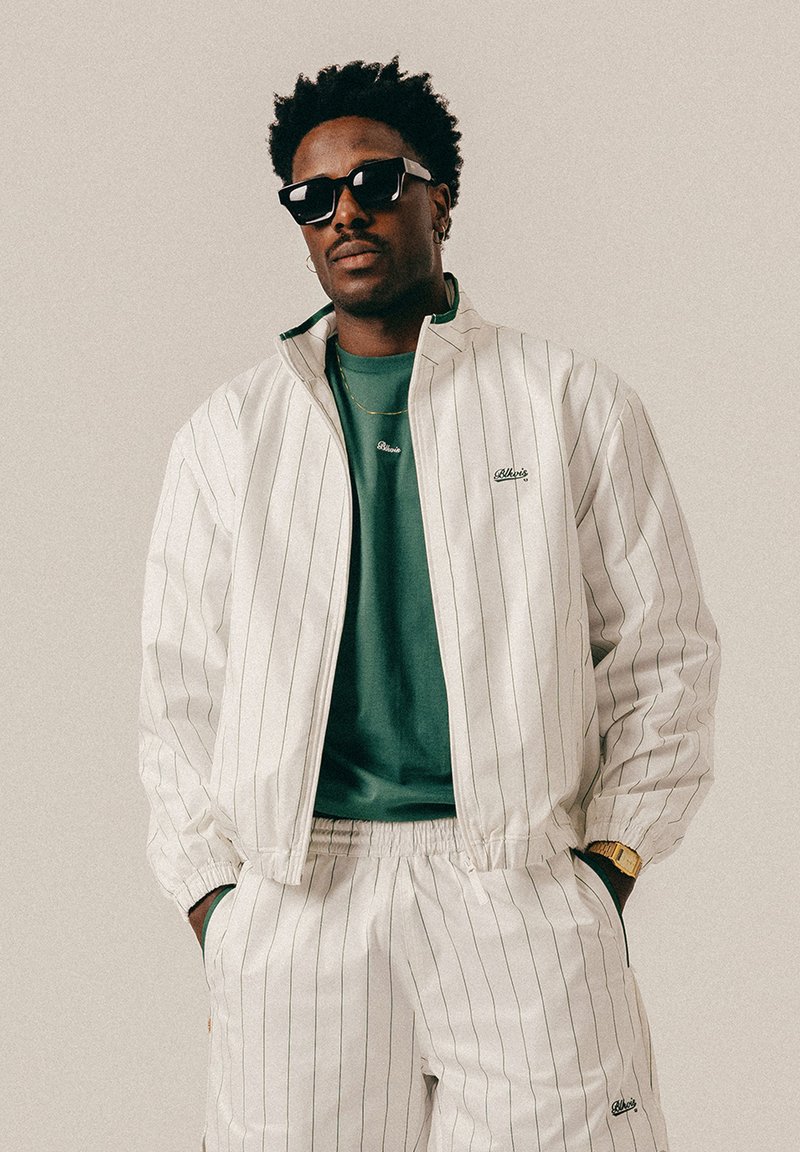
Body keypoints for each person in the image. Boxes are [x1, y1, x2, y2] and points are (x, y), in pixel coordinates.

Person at [137, 56, 721, 1152]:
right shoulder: (229, 436)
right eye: (313, 198)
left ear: (438, 200)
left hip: (516, 881)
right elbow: (180, 693)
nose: (344, 213)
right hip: (298, 898)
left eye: (374, 181)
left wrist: (608, 865)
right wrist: (220, 902)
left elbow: (662, 654)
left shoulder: (569, 403)